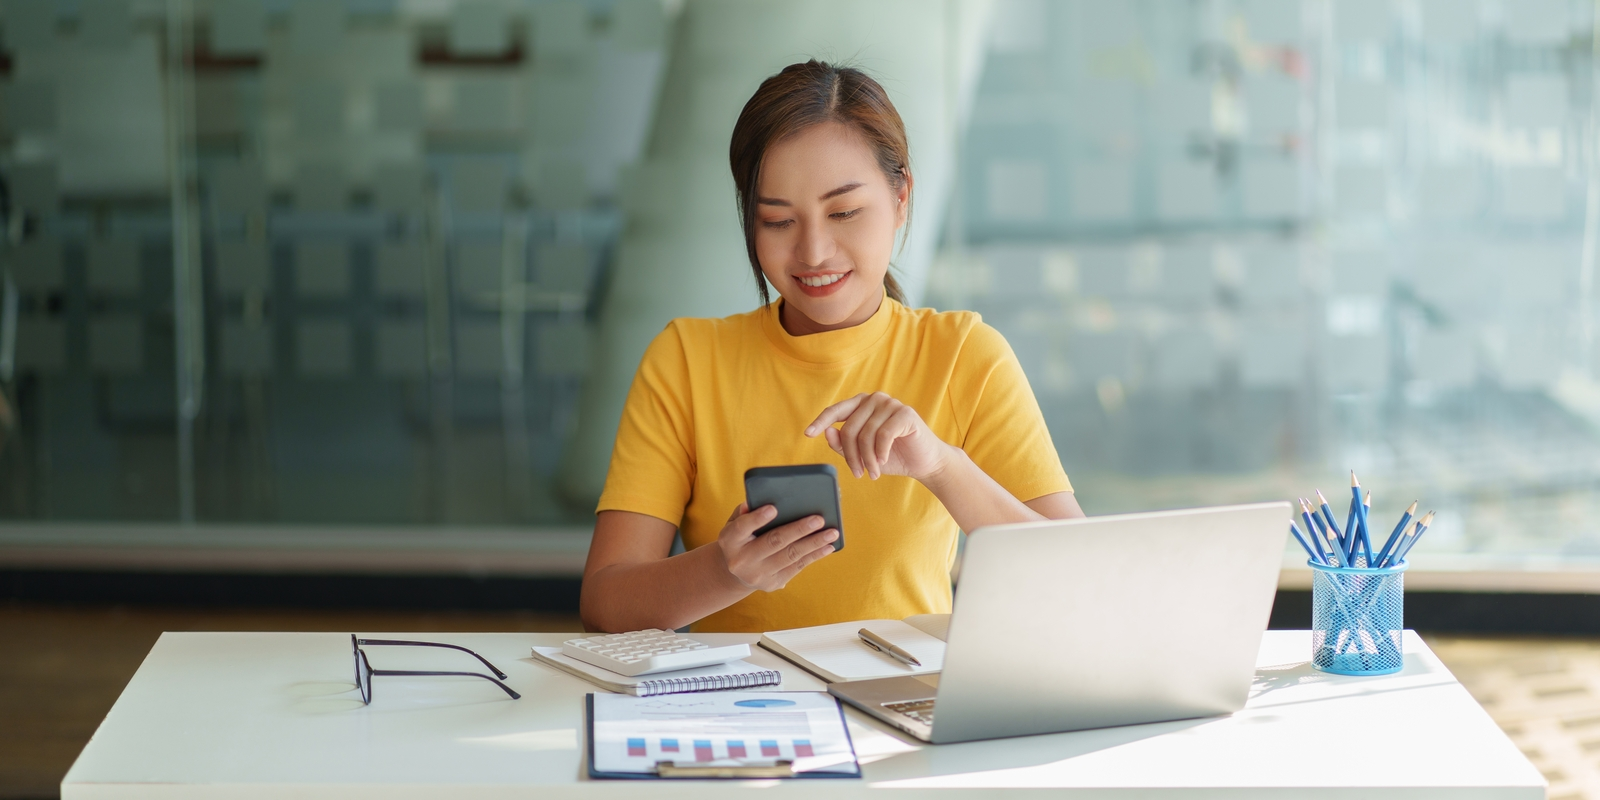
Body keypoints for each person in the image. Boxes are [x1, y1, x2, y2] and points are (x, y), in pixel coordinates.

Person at [580, 60, 1084, 634]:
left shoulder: (965, 356)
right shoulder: (687, 361)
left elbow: (1075, 579)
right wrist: (726, 571)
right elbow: (605, 601)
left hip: (900, 710)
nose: (814, 252)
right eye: (777, 221)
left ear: (901, 198)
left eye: (844, 212)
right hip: (734, 711)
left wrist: (941, 465)